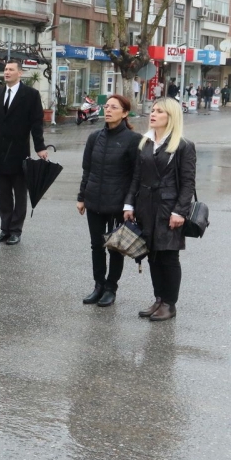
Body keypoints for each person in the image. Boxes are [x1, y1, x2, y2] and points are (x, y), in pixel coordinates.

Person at [124, 98, 197, 322]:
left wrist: (180, 212)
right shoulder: (145, 142)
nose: (153, 114)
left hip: (168, 207)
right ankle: (158, 299)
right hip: (146, 205)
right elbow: (137, 176)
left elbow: (188, 183)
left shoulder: (183, 145)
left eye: (159, 112)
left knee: (168, 256)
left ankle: (169, 303)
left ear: (171, 117)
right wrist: (129, 204)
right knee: (153, 255)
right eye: (153, 110)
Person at [76, 95, 142, 308]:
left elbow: (136, 176)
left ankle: (111, 288)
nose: (108, 110)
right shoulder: (95, 137)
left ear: (124, 113)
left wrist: (129, 204)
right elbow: (88, 169)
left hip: (118, 204)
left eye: (114, 107)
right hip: (94, 199)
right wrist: (81, 197)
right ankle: (98, 285)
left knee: (115, 247)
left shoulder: (133, 140)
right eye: (106, 106)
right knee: (96, 245)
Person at [0, 60, 48, 246]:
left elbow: (36, 123)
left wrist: (40, 147)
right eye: (5, 69)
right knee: (3, 194)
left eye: (11, 69)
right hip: (0, 152)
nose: (7, 72)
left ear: (20, 73)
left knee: (19, 193)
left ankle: (16, 230)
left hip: (19, 151)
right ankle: (5, 228)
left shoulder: (31, 95)